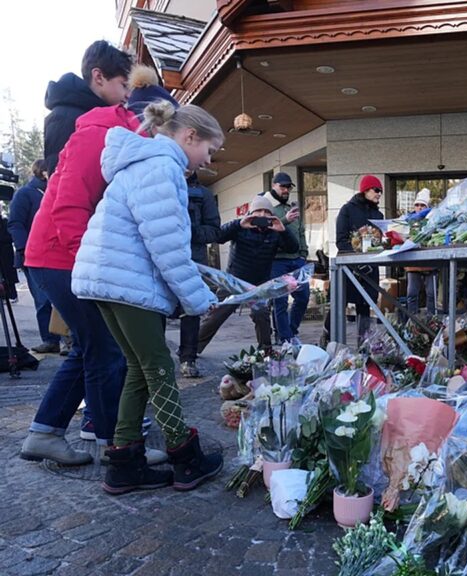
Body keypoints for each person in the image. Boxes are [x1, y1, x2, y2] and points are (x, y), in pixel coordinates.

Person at [72, 101, 223, 494]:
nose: (208, 161)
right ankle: (185, 457)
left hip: (107, 279)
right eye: (209, 151)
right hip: (127, 281)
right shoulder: (162, 167)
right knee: (158, 366)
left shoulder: (142, 163)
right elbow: (168, 245)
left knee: (139, 368)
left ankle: (124, 464)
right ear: (190, 136)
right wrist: (198, 298)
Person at [18, 102, 142, 465]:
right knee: (106, 349)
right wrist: (90, 264)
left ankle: (44, 433)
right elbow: (70, 206)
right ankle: (115, 447)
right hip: (60, 258)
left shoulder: (115, 137)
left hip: (59, 257)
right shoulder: (98, 136)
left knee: (90, 348)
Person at [197, 195, 299, 354]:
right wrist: (238, 224)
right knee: (216, 315)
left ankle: (266, 351)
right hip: (233, 281)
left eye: (267, 212)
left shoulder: (275, 231)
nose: (262, 215)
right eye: (258, 211)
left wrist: (283, 230)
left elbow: (293, 248)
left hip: (258, 284)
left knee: (261, 314)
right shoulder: (240, 227)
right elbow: (219, 236)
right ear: (251, 213)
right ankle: (193, 349)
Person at [44, 40, 132, 174]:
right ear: (98, 77)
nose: (128, 95)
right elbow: (60, 179)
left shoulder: (105, 116)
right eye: (124, 85)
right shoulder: (64, 117)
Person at [9, 160, 60, 353]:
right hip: (33, 255)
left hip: (57, 252)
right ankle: (50, 340)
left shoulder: (56, 190)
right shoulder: (25, 194)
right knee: (43, 300)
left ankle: (69, 339)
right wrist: (24, 248)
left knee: (62, 299)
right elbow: (15, 223)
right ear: (43, 172)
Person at [177, 172, 219, 378]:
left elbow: (214, 231)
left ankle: (188, 358)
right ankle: (153, 362)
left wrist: (190, 230)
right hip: (158, 257)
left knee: (191, 310)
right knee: (155, 310)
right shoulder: (157, 184)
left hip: (193, 260)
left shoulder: (203, 194)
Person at [262, 173, 309, 346]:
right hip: (276, 261)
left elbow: (301, 231)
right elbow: (264, 230)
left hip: (297, 260)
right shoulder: (266, 206)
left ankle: (290, 331)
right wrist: (285, 220)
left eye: (289, 187)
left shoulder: (291, 207)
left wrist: (303, 254)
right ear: (273, 185)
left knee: (303, 297)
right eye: (282, 186)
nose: (286, 190)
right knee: (280, 301)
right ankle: (285, 338)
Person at [336, 175, 384, 342]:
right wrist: (356, 260)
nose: (379, 194)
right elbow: (341, 240)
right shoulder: (347, 210)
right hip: (349, 266)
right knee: (339, 303)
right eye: (376, 190)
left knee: (365, 304)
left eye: (381, 191)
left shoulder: (378, 214)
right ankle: (330, 337)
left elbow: (380, 242)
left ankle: (363, 344)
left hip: (370, 267)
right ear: (365, 190)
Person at [406, 189, 437, 316]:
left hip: (430, 263)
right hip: (413, 263)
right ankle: (412, 321)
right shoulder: (408, 220)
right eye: (417, 205)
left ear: (427, 207)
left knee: (431, 294)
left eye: (422, 205)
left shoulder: (433, 219)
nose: (419, 207)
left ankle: (432, 321)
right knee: (411, 294)